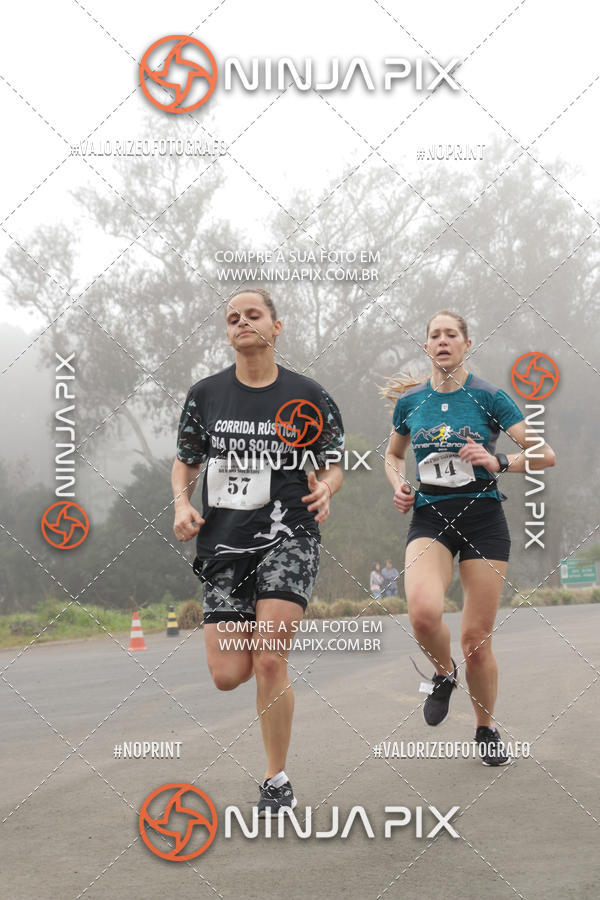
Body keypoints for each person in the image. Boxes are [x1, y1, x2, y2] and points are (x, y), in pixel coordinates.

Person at [172, 287, 344, 812]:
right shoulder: (205, 396)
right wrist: (181, 503)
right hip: (225, 543)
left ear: (276, 326)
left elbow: (333, 462)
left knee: (271, 659)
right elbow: (186, 461)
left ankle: (275, 778)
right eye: (232, 318)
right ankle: (250, 642)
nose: (241, 322)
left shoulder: (307, 395)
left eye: (253, 314)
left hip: (289, 535)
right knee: (228, 675)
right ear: (227, 334)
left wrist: (326, 487)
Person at [383, 310, 556, 766]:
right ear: (426, 346)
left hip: (482, 519)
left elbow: (545, 454)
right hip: (431, 517)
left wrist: (499, 461)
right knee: (422, 614)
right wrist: (399, 484)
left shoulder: (490, 397)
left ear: (466, 343)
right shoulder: (411, 402)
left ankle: (485, 727)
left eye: (451, 334)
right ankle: (443, 675)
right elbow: (392, 455)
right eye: (434, 334)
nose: (442, 340)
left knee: (476, 640)